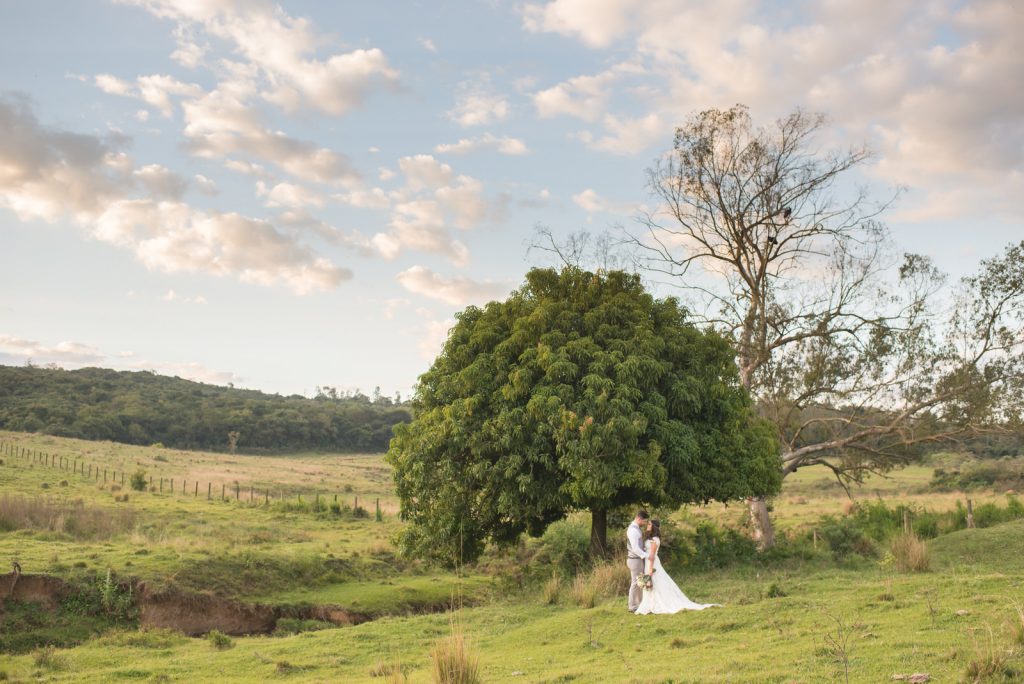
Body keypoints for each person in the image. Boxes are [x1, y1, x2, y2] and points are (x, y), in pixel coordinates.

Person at [634, 519, 721, 614]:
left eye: (649, 524)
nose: (648, 525)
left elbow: (652, 556)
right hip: (648, 562)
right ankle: (650, 603)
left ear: (653, 527)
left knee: (653, 581)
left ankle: (656, 603)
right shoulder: (651, 538)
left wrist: (650, 569)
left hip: (652, 563)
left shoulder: (654, 540)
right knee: (651, 582)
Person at [626, 509, 649, 612]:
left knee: (640, 582)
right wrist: (646, 555)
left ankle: (639, 603)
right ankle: (632, 606)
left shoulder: (635, 529)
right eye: (644, 521)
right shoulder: (633, 530)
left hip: (637, 559)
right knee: (635, 583)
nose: (644, 523)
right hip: (635, 560)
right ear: (639, 519)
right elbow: (635, 548)